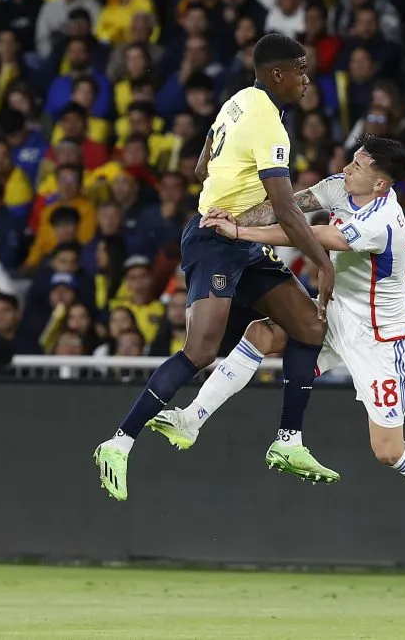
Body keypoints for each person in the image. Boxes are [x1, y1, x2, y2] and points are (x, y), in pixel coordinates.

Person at [152, 138, 405, 563]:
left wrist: (241, 232)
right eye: (352, 160)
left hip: (379, 339)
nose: (348, 169)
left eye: (359, 166)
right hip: (335, 311)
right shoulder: (341, 186)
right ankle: (191, 420)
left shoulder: (385, 221)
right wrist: (231, 217)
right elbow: (293, 206)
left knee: (388, 451)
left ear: (380, 184)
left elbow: (315, 236)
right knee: (261, 335)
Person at [94, 34, 337, 501]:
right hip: (215, 242)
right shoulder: (269, 123)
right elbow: (287, 209)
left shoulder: (239, 101)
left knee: (308, 326)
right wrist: (321, 262)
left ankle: (289, 442)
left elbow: (202, 163)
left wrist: (224, 193)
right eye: (301, 71)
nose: (308, 80)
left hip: (241, 240)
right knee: (201, 349)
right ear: (277, 74)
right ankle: (118, 443)